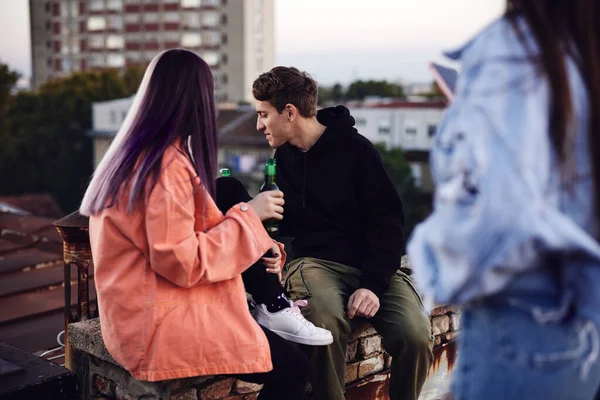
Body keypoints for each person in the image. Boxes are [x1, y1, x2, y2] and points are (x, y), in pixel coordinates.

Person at [79, 49, 310, 399]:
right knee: (293, 366)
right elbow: (182, 261)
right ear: (194, 99)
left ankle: (271, 301)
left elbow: (202, 224)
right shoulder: (162, 168)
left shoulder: (137, 153)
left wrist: (261, 243)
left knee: (228, 188)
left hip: (138, 311)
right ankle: (272, 303)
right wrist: (252, 215)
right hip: (155, 323)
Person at [407, 1, 600, 399]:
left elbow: (494, 221)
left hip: (525, 331)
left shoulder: (517, 48)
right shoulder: (585, 46)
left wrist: (436, 266)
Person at [252, 66, 434, 400]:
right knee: (324, 325)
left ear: (289, 113)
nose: (259, 125)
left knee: (416, 335)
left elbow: (388, 224)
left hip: (371, 264)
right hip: (315, 264)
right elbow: (289, 224)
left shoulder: (357, 152)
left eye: (264, 114)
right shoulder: (283, 159)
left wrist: (372, 285)